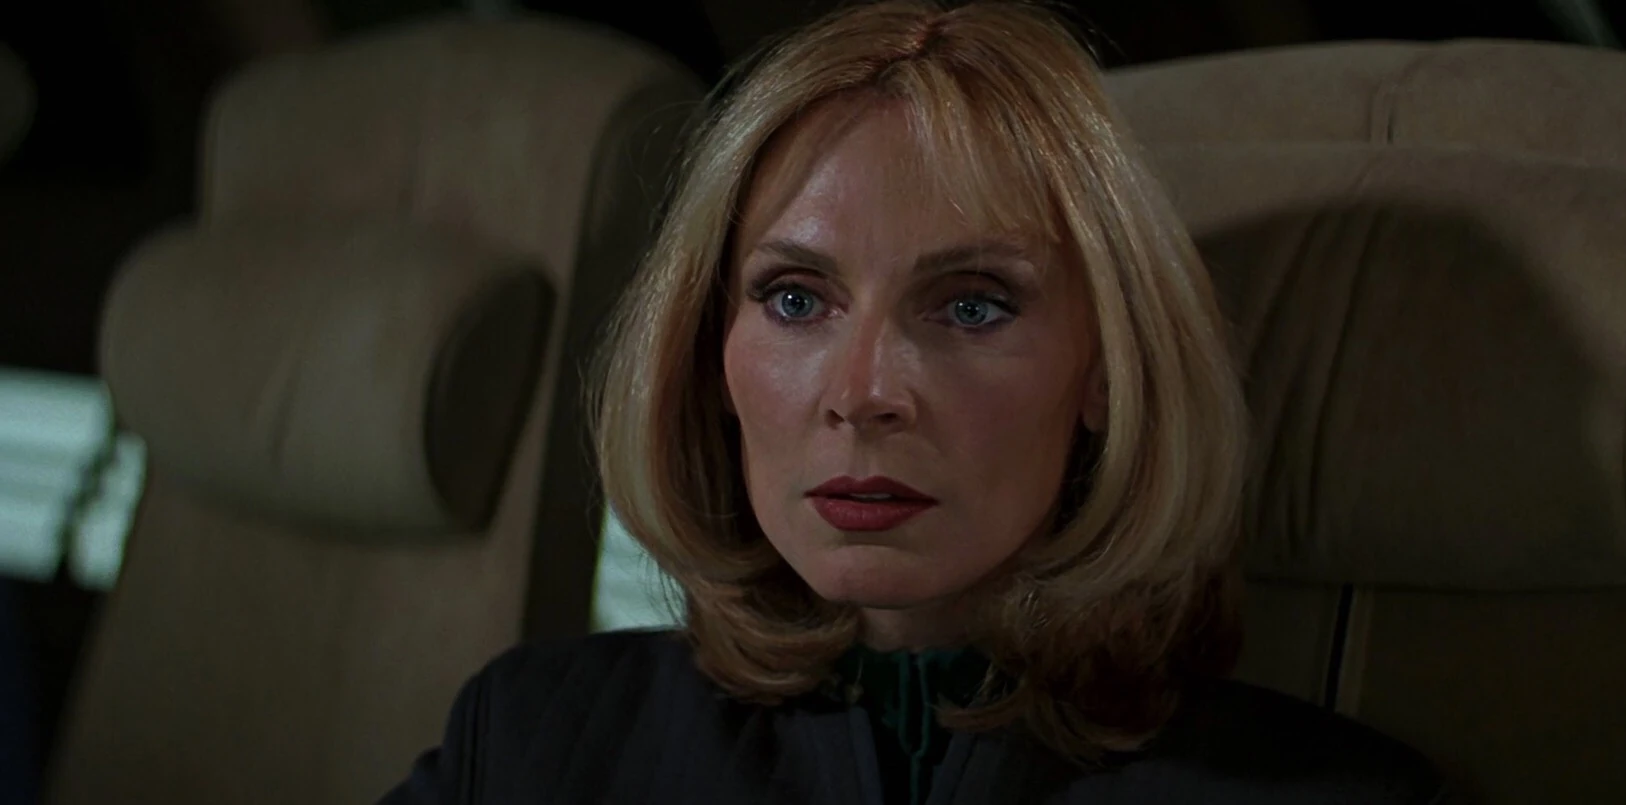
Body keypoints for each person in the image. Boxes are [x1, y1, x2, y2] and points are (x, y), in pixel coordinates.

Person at [381, 1, 1449, 802]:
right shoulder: (530, 739)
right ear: (709, 356)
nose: (863, 395)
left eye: (972, 307)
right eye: (795, 298)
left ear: (1106, 373)